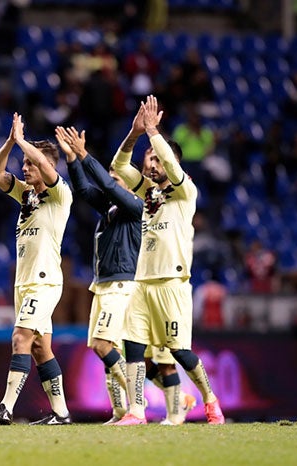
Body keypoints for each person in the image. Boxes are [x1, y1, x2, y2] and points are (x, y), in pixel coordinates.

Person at [56, 126, 196, 426]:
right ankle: (130, 409)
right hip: (105, 284)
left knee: (105, 346)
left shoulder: (136, 206)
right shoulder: (111, 209)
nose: (113, 180)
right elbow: (83, 189)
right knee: (111, 349)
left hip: (125, 285)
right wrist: (72, 160)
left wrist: (85, 156)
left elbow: (106, 184)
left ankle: (139, 404)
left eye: (117, 179)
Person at [110, 95, 225, 425]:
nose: (151, 164)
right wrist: (135, 134)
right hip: (142, 282)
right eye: (148, 160)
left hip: (173, 284)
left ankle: (209, 398)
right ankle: (136, 411)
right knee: (132, 345)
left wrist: (153, 133)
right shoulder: (147, 190)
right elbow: (118, 167)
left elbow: (172, 169)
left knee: (179, 352)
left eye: (156, 159)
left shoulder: (186, 189)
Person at [0, 113, 73, 425]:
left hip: (43, 281)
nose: (24, 168)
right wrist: (11, 142)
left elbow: (47, 167)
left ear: (47, 166)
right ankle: (61, 413)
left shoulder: (60, 193)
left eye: (30, 163)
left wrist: (23, 141)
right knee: (39, 347)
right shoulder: (26, 195)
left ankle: (5, 408)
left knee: (20, 337)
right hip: (25, 282)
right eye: (23, 163)